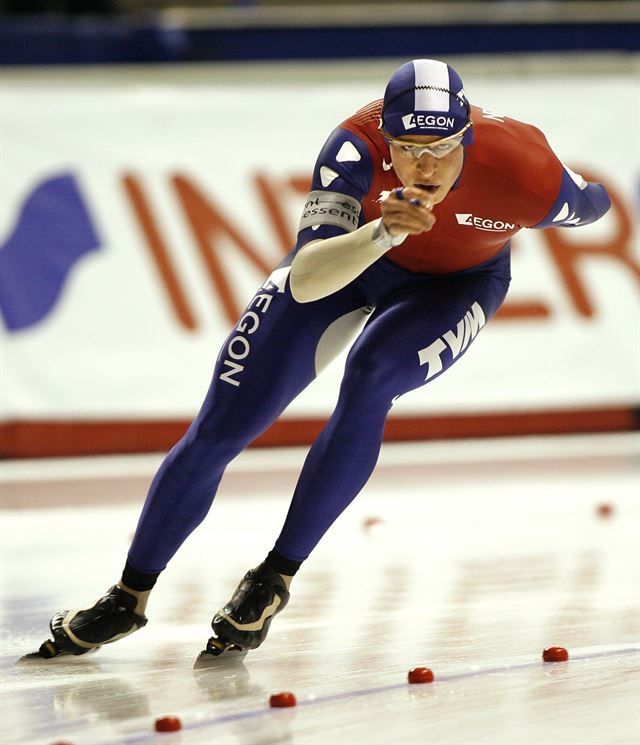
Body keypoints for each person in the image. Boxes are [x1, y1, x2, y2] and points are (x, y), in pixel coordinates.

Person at [34, 59, 611, 661]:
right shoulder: (354, 147)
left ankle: (273, 578)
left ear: (466, 136)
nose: (424, 166)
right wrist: (383, 233)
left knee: (370, 378)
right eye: (409, 148)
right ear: (387, 138)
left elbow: (594, 204)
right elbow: (308, 279)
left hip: (453, 287)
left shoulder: (527, 172)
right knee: (221, 428)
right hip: (350, 261)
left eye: (440, 148)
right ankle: (129, 598)